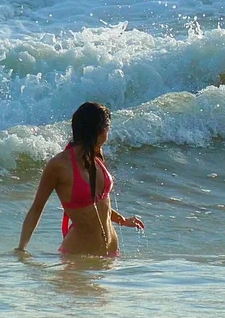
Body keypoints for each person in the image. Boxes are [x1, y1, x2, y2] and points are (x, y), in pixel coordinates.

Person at [16, 102, 144, 256]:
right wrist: (21, 249)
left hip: (110, 255)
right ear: (100, 131)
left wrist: (122, 220)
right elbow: (37, 208)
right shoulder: (59, 165)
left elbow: (98, 205)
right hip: (78, 258)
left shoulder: (96, 158)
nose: (108, 134)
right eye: (108, 128)